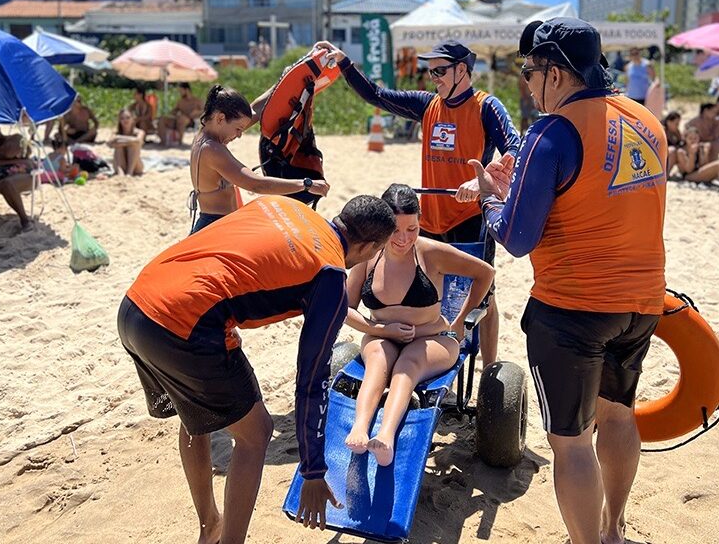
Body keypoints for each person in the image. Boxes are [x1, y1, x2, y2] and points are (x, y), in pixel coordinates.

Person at [470, 18, 667, 544]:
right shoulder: (647, 120)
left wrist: (491, 196)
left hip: (574, 307)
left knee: (573, 443)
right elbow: (602, 194)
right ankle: (613, 531)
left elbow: (515, 236)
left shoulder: (553, 130)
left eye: (529, 71)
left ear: (555, 73)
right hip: (641, 301)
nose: (527, 84)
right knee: (620, 416)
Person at [118, 194, 396, 544]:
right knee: (256, 433)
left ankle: (210, 528)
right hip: (183, 327)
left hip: (137, 304)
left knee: (196, 414)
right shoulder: (330, 276)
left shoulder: (285, 205)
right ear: (370, 248)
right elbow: (311, 379)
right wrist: (313, 470)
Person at [316, 38, 521, 368]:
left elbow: (514, 146)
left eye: (440, 70)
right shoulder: (428, 105)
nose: (433, 77)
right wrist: (344, 63)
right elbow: (377, 96)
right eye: (430, 71)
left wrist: (483, 180)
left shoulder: (486, 106)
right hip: (430, 220)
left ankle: (489, 368)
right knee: (433, 293)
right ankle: (432, 358)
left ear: (462, 71)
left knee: (485, 295)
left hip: (469, 217)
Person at [343, 184, 494, 466]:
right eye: (395, 230)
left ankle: (386, 435)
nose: (403, 238)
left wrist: (461, 320)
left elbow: (485, 273)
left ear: (419, 221)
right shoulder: (369, 256)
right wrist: (380, 331)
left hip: (433, 338)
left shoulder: (431, 252)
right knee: (377, 359)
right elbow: (344, 309)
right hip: (382, 336)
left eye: (412, 229)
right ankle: (360, 428)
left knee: (408, 363)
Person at [188, 85, 330, 233]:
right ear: (221, 118)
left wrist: (285, 82)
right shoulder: (211, 149)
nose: (239, 135)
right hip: (214, 227)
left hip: (222, 223)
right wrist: (306, 184)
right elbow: (255, 184)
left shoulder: (211, 133)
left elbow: (255, 110)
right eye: (238, 129)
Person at [674, 127, 719, 191]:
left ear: (699, 138)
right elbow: (689, 170)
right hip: (688, 176)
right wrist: (692, 154)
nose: (693, 141)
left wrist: (703, 154)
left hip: (698, 173)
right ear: (685, 139)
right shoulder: (681, 151)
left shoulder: (701, 147)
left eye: (695, 138)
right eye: (690, 138)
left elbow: (703, 165)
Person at [108, 109, 145, 177]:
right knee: (120, 145)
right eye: (122, 118)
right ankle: (121, 172)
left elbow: (138, 140)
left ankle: (129, 172)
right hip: (120, 163)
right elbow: (109, 143)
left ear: (133, 119)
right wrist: (128, 142)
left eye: (128, 117)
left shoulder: (139, 132)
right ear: (119, 121)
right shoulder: (115, 132)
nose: (125, 120)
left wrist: (119, 138)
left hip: (135, 166)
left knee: (133, 145)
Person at [662, 111, 684, 175]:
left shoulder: (676, 132)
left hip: (671, 156)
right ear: (669, 122)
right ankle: (666, 174)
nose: (678, 126)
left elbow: (681, 142)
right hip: (663, 155)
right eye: (676, 124)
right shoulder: (663, 131)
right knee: (672, 150)